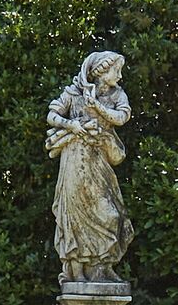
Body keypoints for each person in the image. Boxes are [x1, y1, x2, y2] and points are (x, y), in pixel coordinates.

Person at [46, 49, 131, 284]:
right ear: (102, 72)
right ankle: (78, 271)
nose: (120, 76)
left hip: (98, 161)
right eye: (117, 70)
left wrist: (98, 107)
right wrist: (72, 125)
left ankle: (101, 269)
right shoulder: (74, 93)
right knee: (74, 215)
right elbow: (52, 116)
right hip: (74, 159)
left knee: (111, 215)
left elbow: (122, 117)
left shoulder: (116, 95)